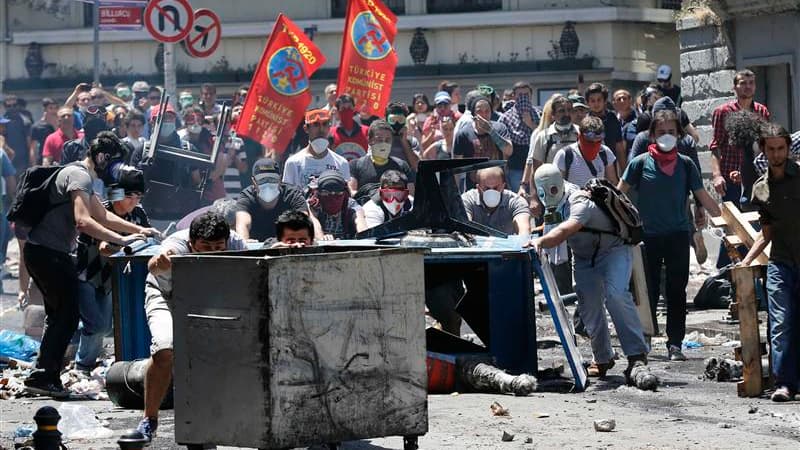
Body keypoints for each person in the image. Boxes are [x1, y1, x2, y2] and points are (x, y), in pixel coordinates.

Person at [22, 133, 157, 397]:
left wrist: (141, 231)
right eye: (115, 163)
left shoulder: (86, 180)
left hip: (46, 252)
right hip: (48, 253)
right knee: (68, 316)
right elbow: (84, 221)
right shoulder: (80, 176)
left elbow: (103, 215)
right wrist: (121, 239)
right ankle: (45, 375)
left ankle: (43, 374)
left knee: (61, 316)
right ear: (103, 157)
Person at [619, 110, 721, 361]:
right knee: (647, 292)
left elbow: (703, 196)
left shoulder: (686, 165)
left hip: (677, 235)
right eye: (661, 132)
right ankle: (645, 340)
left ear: (679, 135)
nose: (667, 136)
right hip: (647, 238)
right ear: (652, 135)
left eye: (672, 132)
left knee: (677, 291)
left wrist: (723, 218)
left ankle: (675, 343)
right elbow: (619, 195)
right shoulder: (640, 163)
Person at [137, 211, 246, 441]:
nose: (213, 253)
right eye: (205, 247)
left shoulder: (236, 243)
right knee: (165, 349)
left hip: (206, 298)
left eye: (219, 247)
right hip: (166, 294)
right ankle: (149, 420)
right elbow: (153, 266)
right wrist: (160, 262)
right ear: (191, 243)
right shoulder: (175, 245)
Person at [529, 177, 649, 382]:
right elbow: (552, 227)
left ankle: (636, 355)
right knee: (588, 305)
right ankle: (602, 358)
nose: (548, 194)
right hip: (584, 258)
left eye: (551, 189)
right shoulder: (553, 205)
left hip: (613, 250)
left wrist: (540, 242)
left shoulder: (579, 200)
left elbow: (565, 230)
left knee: (616, 295)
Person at [742, 123, 800, 402]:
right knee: (780, 322)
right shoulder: (760, 189)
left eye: (781, 148)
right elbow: (766, 234)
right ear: (764, 150)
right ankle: (784, 384)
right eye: (771, 149)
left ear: (788, 149)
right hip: (781, 263)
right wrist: (745, 262)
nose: (777, 154)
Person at [74, 166, 150, 372]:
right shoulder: (101, 212)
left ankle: (79, 348)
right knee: (96, 325)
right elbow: (104, 248)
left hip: (111, 281)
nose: (134, 202)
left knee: (106, 326)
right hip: (87, 274)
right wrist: (126, 244)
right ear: (117, 193)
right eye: (130, 196)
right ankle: (83, 367)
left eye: (138, 197)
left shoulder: (138, 215)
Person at [234, 158, 317, 241]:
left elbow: (304, 221)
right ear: (254, 181)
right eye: (262, 180)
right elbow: (242, 223)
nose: (267, 184)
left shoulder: (292, 195)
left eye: (272, 179)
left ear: (280, 180)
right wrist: (245, 243)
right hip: (256, 249)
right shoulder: (246, 196)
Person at [522, 95, 578, 215]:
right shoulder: (543, 137)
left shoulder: (580, 134)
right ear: (553, 115)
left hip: (577, 195)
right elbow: (535, 170)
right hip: (551, 196)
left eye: (569, 110)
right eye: (561, 111)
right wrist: (534, 198)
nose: (566, 114)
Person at [534, 163, 579, 294]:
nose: (548, 197)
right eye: (542, 193)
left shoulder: (575, 198)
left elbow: (568, 228)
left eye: (553, 191)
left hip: (576, 247)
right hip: (557, 249)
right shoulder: (552, 200)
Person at [349, 119, 415, 203]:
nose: (384, 143)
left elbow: (411, 195)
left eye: (387, 140)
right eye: (379, 139)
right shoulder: (355, 164)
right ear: (369, 140)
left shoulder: (401, 165)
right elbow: (352, 192)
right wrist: (372, 197)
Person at [282, 109, 350, 188]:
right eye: (316, 125)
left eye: (325, 124)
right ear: (306, 129)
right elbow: (287, 196)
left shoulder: (341, 163)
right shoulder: (293, 163)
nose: (321, 130)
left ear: (329, 127)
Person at [453, 96, 513, 179]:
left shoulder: (500, 128)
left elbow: (509, 151)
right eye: (479, 111)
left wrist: (491, 131)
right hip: (473, 185)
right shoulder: (463, 133)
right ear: (473, 114)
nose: (484, 115)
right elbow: (457, 166)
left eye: (487, 111)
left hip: (496, 182)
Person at [552, 116, 618, 188]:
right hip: (573, 198)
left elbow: (612, 183)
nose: (594, 146)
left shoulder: (605, 153)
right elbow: (557, 186)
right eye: (590, 142)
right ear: (580, 136)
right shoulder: (565, 155)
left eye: (598, 141)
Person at [461, 167, 530, 235]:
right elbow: (464, 226)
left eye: (495, 188)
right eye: (487, 188)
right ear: (478, 188)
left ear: (503, 186)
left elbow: (524, 230)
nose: (491, 192)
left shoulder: (516, 201)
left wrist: (523, 238)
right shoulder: (467, 199)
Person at [498, 81, 541, 191]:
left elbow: (544, 135)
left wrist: (531, 124)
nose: (523, 98)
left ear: (531, 95)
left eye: (526, 95)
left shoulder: (539, 114)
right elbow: (502, 144)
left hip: (537, 165)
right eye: (520, 95)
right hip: (515, 168)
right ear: (514, 96)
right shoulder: (505, 118)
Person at [308, 170, 366, 239]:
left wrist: (363, 235)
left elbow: (360, 221)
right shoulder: (313, 204)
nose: (333, 198)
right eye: (326, 193)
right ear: (318, 192)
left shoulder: (351, 204)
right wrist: (322, 239)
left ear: (344, 193)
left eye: (338, 194)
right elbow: (314, 223)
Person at [584, 83, 626, 172]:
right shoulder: (585, 122)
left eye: (599, 100)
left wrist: (624, 170)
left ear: (605, 101)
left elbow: (619, 147)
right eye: (592, 100)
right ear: (588, 103)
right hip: (591, 168)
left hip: (611, 166)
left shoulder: (612, 118)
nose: (596, 103)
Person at [330, 94, 369, 161]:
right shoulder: (331, 133)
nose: (347, 110)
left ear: (354, 109)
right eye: (343, 108)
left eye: (349, 107)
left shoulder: (366, 131)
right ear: (338, 111)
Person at [385, 102, 421, 168]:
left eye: (400, 120)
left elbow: (416, 165)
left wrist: (404, 141)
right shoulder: (379, 140)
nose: (396, 123)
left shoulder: (412, 141)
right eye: (392, 120)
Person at [3, 95, 33, 172]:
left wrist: (31, 158)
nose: (12, 108)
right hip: (7, 159)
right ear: (5, 107)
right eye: (9, 106)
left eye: (14, 105)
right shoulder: (2, 121)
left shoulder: (25, 120)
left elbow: (29, 140)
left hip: (22, 159)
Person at [30, 98, 59, 165]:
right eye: (51, 108)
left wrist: (55, 123)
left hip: (60, 159)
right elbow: (33, 148)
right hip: (44, 159)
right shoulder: (37, 126)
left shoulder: (61, 124)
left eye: (56, 108)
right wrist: (33, 164)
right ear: (45, 109)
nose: (54, 111)